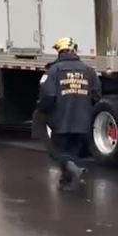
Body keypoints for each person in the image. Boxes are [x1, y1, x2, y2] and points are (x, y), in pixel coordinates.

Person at [38, 37, 101, 192]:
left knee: (59, 152)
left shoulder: (54, 70)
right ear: (74, 50)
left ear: (59, 52)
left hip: (61, 120)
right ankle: (67, 182)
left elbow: (48, 96)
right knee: (72, 152)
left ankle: (74, 171)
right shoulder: (88, 70)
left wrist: (44, 112)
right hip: (82, 120)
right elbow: (96, 95)